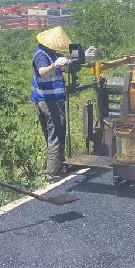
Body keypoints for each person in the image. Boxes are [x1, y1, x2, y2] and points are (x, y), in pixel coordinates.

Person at [32, 25, 96, 180]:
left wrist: (84, 56)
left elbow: (67, 63)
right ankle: (53, 174)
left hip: (51, 101)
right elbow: (42, 72)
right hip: (49, 102)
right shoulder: (41, 55)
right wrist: (55, 65)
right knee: (56, 136)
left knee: (57, 134)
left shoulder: (52, 54)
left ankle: (59, 167)